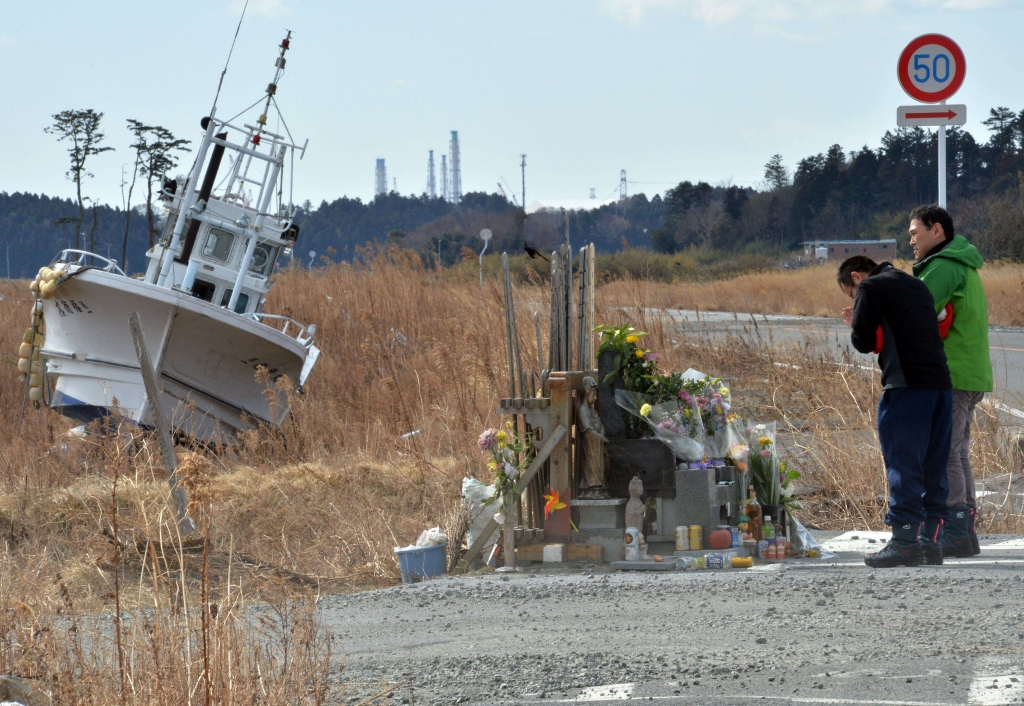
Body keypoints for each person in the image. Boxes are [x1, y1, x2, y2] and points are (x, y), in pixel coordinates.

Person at [838, 255, 953, 567]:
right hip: (941, 386)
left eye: (850, 292)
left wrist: (854, 322)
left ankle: (903, 542)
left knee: (904, 464)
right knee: (933, 464)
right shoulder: (916, 285)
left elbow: (862, 340)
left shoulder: (871, 287)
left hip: (906, 386)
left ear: (855, 277)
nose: (854, 296)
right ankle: (929, 542)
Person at [909, 205, 992, 558]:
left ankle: (956, 529)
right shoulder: (964, 264)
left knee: (945, 455)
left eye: (915, 232)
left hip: (954, 373)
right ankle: (964, 530)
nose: (910, 239)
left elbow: (913, 310)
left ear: (937, 231)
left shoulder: (943, 267)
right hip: (971, 372)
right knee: (957, 452)